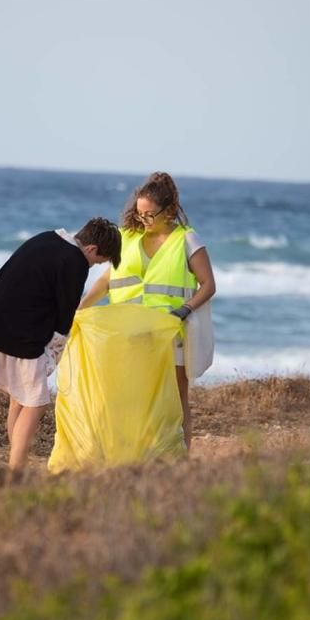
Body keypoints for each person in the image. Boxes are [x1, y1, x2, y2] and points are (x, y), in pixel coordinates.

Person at [0, 218, 122, 474]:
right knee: (35, 402)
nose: (94, 265)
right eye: (98, 261)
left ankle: (14, 462)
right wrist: (55, 353)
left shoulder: (47, 238)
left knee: (19, 397)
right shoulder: (75, 261)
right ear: (92, 249)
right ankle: (15, 470)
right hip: (20, 331)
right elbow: (65, 313)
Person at [79, 172, 216, 450]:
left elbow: (208, 285)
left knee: (176, 396)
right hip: (129, 331)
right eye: (140, 214)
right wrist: (79, 309)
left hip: (170, 332)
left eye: (150, 215)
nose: (144, 220)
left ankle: (180, 453)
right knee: (130, 393)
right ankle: (135, 450)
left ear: (170, 211)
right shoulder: (127, 237)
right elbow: (107, 280)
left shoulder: (187, 240)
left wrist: (185, 310)